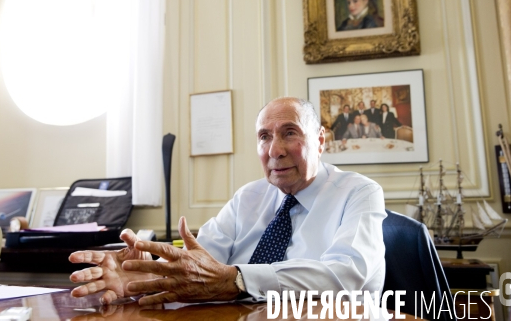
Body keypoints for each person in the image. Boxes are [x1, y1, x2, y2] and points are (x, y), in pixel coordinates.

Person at [68, 97, 387, 306]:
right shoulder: (248, 197)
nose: (275, 149)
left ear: (320, 141)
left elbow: (347, 275)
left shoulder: (360, 193)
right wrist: (142, 275)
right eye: (264, 136)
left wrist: (238, 279)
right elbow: (200, 262)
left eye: (290, 133)